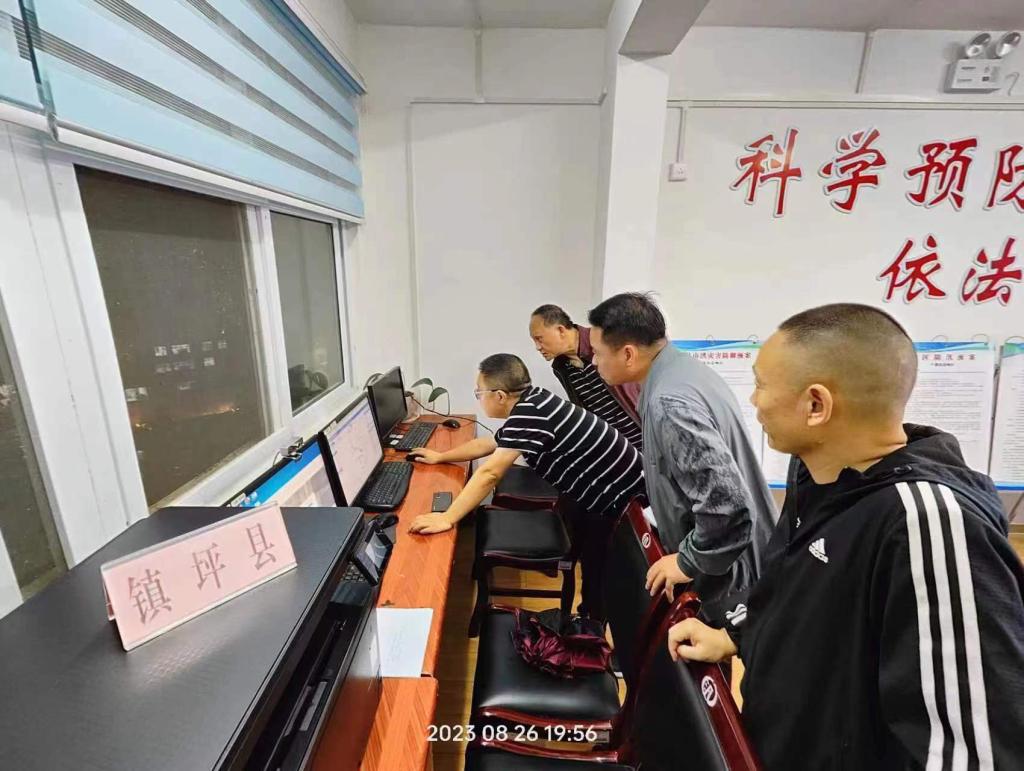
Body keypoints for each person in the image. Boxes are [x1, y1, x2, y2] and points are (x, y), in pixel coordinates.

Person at [668, 303, 1024, 770]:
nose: (754, 401)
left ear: (816, 405)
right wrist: (733, 634)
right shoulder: (817, 476)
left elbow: (974, 749)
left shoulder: (926, 520)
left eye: (761, 385)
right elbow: (798, 594)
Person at [408, 353, 645, 620]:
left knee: (598, 573)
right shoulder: (534, 402)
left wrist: (447, 518)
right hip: (609, 492)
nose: (478, 398)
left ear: (499, 396)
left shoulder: (530, 414)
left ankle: (589, 629)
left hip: (621, 500)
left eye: (479, 393)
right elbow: (489, 444)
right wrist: (441, 456)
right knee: (594, 568)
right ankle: (588, 621)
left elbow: (489, 474)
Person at [587, 293, 777, 607]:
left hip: (731, 574)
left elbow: (728, 507)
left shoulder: (669, 402)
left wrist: (686, 561)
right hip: (737, 560)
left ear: (628, 354)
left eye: (597, 353)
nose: (594, 362)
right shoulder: (684, 371)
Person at [529, 304, 643, 449]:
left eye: (539, 339)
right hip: (612, 448)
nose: (537, 347)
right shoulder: (561, 368)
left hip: (644, 438)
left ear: (561, 330)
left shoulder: (604, 340)